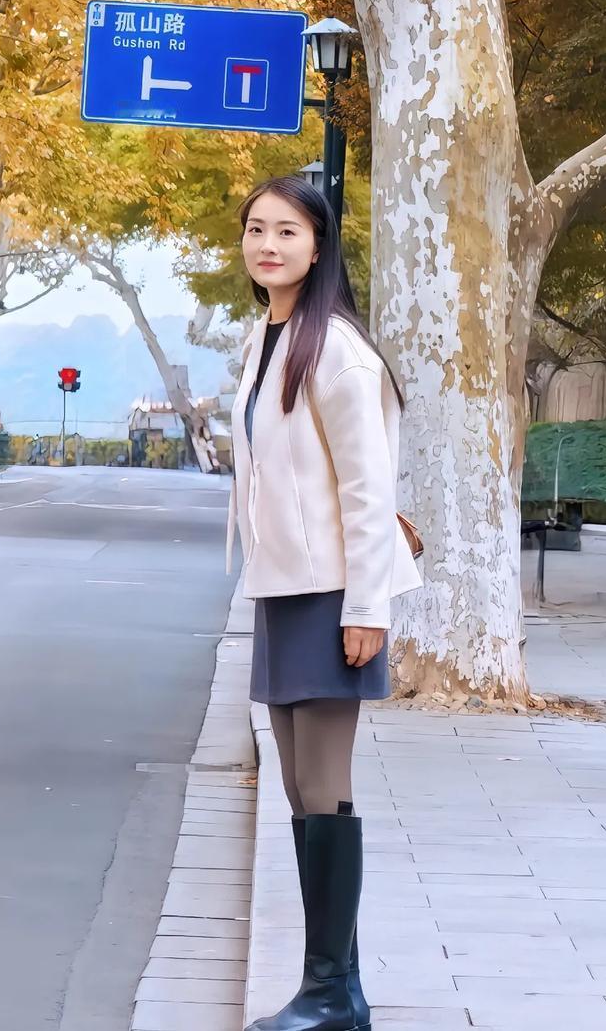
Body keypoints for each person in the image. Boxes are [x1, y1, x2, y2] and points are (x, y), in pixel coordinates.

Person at [226, 173, 422, 1031]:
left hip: (335, 590)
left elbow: (369, 489)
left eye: (288, 232)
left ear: (318, 247)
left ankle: (332, 993)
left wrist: (367, 608)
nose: (268, 245)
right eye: (256, 229)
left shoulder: (337, 349)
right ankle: (335, 989)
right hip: (281, 586)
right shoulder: (266, 337)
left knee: (322, 783)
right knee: (298, 788)